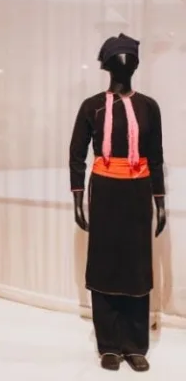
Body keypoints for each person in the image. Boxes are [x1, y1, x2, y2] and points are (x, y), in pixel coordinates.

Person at [69, 33, 165, 372]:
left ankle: (135, 343)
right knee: (105, 262)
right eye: (118, 58)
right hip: (105, 191)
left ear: (136, 64)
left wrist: (160, 199)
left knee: (137, 265)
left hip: (138, 192)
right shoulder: (91, 106)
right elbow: (77, 154)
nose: (125, 64)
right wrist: (78, 197)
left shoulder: (148, 106)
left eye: (130, 58)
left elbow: (156, 156)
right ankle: (108, 344)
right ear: (107, 64)